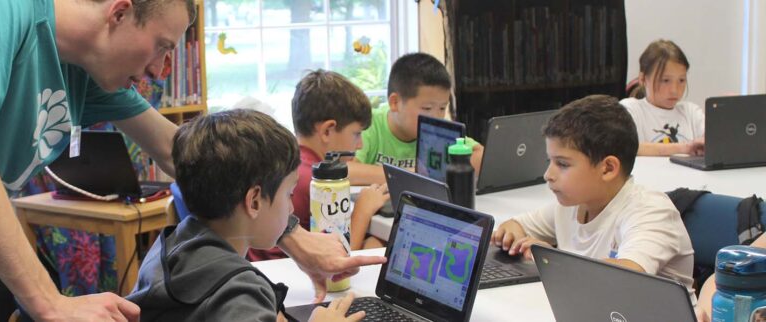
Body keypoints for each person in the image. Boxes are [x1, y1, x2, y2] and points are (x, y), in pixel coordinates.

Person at [0, 0, 383, 320]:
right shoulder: (1, 9)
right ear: (119, 11)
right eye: (163, 47)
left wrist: (291, 234)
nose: (161, 70)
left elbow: (192, 155)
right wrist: (49, 301)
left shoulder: (86, 69)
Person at [127, 109, 365, 322]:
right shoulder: (239, 294)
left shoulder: (167, 248)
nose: (291, 209)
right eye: (289, 194)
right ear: (253, 201)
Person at [491, 95, 696, 301]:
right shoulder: (572, 204)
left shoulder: (651, 211)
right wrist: (511, 238)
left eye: (562, 164)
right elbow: (516, 225)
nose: (548, 175)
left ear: (608, 168)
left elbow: (623, 278)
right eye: (549, 161)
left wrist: (553, 262)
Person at [249, 70, 386, 262]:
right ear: (327, 131)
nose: (360, 144)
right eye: (356, 134)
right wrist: (363, 210)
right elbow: (337, 261)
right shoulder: (314, 182)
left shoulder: (291, 164)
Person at [354, 53, 483, 179]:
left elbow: (481, 155)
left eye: (442, 108)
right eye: (427, 108)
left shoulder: (439, 131)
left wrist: (445, 169)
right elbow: (347, 169)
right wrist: (409, 174)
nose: (436, 117)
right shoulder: (367, 125)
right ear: (395, 102)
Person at [620, 39, 705, 156]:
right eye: (665, 81)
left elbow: (714, 142)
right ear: (643, 79)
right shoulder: (631, 109)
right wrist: (684, 148)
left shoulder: (691, 112)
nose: (674, 90)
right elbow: (627, 146)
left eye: (681, 80)